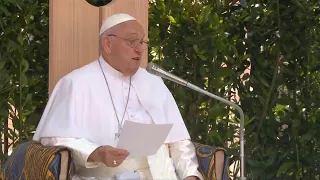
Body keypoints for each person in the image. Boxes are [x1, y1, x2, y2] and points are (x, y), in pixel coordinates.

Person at [33, 13, 203, 180]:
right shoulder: (75, 83)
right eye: (132, 41)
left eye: (142, 42)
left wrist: (190, 175)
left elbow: (178, 140)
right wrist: (96, 153)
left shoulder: (154, 82)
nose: (139, 48)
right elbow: (54, 139)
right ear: (107, 44)